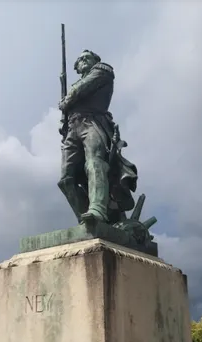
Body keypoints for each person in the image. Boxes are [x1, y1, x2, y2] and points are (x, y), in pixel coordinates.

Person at [58, 50, 137, 224]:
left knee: (95, 163)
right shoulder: (79, 82)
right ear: (77, 67)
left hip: (93, 123)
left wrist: (66, 100)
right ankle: (87, 220)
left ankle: (97, 210)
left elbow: (79, 90)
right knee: (65, 179)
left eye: (88, 57)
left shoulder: (103, 70)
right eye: (80, 59)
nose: (84, 60)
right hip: (72, 128)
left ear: (95, 60)